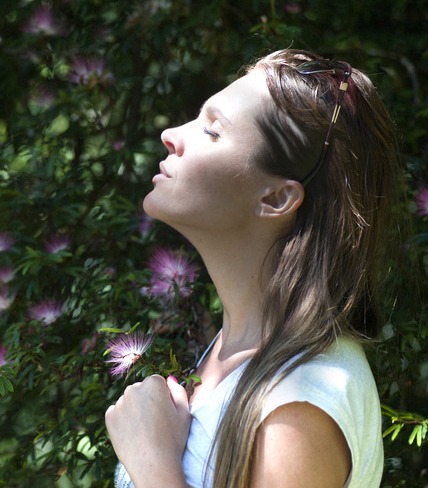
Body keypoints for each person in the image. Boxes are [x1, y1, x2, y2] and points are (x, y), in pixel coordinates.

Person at [105, 48, 402, 487]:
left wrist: (152, 464)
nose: (171, 134)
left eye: (212, 130)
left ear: (276, 199)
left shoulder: (301, 401)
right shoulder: (236, 353)